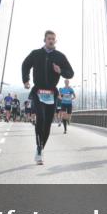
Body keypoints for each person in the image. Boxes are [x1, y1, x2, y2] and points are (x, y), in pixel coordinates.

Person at [22, 30, 75, 165]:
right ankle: (39, 148)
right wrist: (26, 80)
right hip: (38, 91)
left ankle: (40, 148)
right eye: (49, 38)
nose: (51, 41)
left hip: (51, 93)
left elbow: (71, 73)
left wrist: (61, 71)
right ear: (44, 40)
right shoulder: (36, 54)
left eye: (53, 39)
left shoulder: (60, 56)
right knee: (41, 118)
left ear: (55, 41)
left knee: (47, 124)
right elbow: (25, 65)